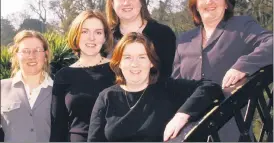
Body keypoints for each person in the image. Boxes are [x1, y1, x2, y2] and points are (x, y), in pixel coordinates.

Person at [172, 0, 273, 141]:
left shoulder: (241, 27)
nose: (209, 1)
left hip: (234, 132)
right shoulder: (184, 41)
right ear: (196, 5)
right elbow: (174, 89)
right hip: (191, 134)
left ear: (226, 2)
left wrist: (243, 65)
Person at [87, 32, 224, 142]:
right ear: (119, 63)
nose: (135, 64)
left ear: (151, 62)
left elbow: (210, 87)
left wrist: (181, 115)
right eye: (128, 57)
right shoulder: (106, 97)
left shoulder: (167, 88)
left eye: (142, 57)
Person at [50, 10, 115, 142]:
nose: (92, 38)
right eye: (85, 32)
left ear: (105, 37)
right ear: (76, 35)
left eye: (98, 32)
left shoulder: (118, 69)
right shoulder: (63, 76)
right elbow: (58, 126)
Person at [106, 0, 176, 80]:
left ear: (141, 1)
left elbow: (168, 77)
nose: (126, 3)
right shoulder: (106, 38)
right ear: (112, 3)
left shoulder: (163, 34)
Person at [1, 30, 53, 142]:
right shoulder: (2, 88)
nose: (31, 56)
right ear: (16, 55)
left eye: (37, 50)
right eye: (25, 51)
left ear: (46, 55)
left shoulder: (59, 91)